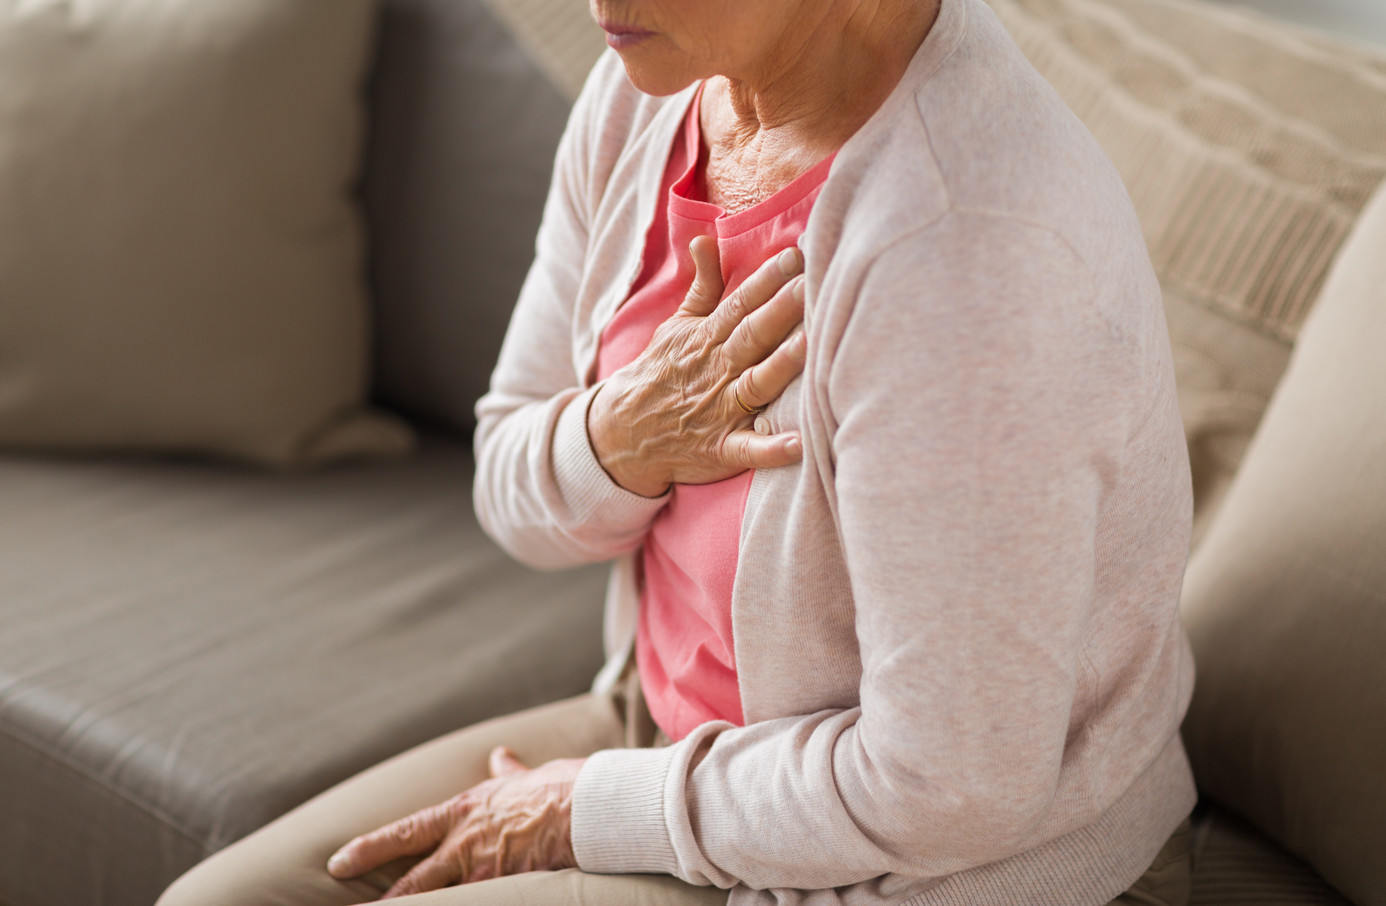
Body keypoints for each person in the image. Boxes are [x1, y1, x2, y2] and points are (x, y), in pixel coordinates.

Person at [157, 0, 1198, 902]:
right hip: (665, 737)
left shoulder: (961, 251)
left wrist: (591, 812)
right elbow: (509, 481)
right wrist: (625, 437)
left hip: (938, 872)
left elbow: (954, 787)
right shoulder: (647, 96)